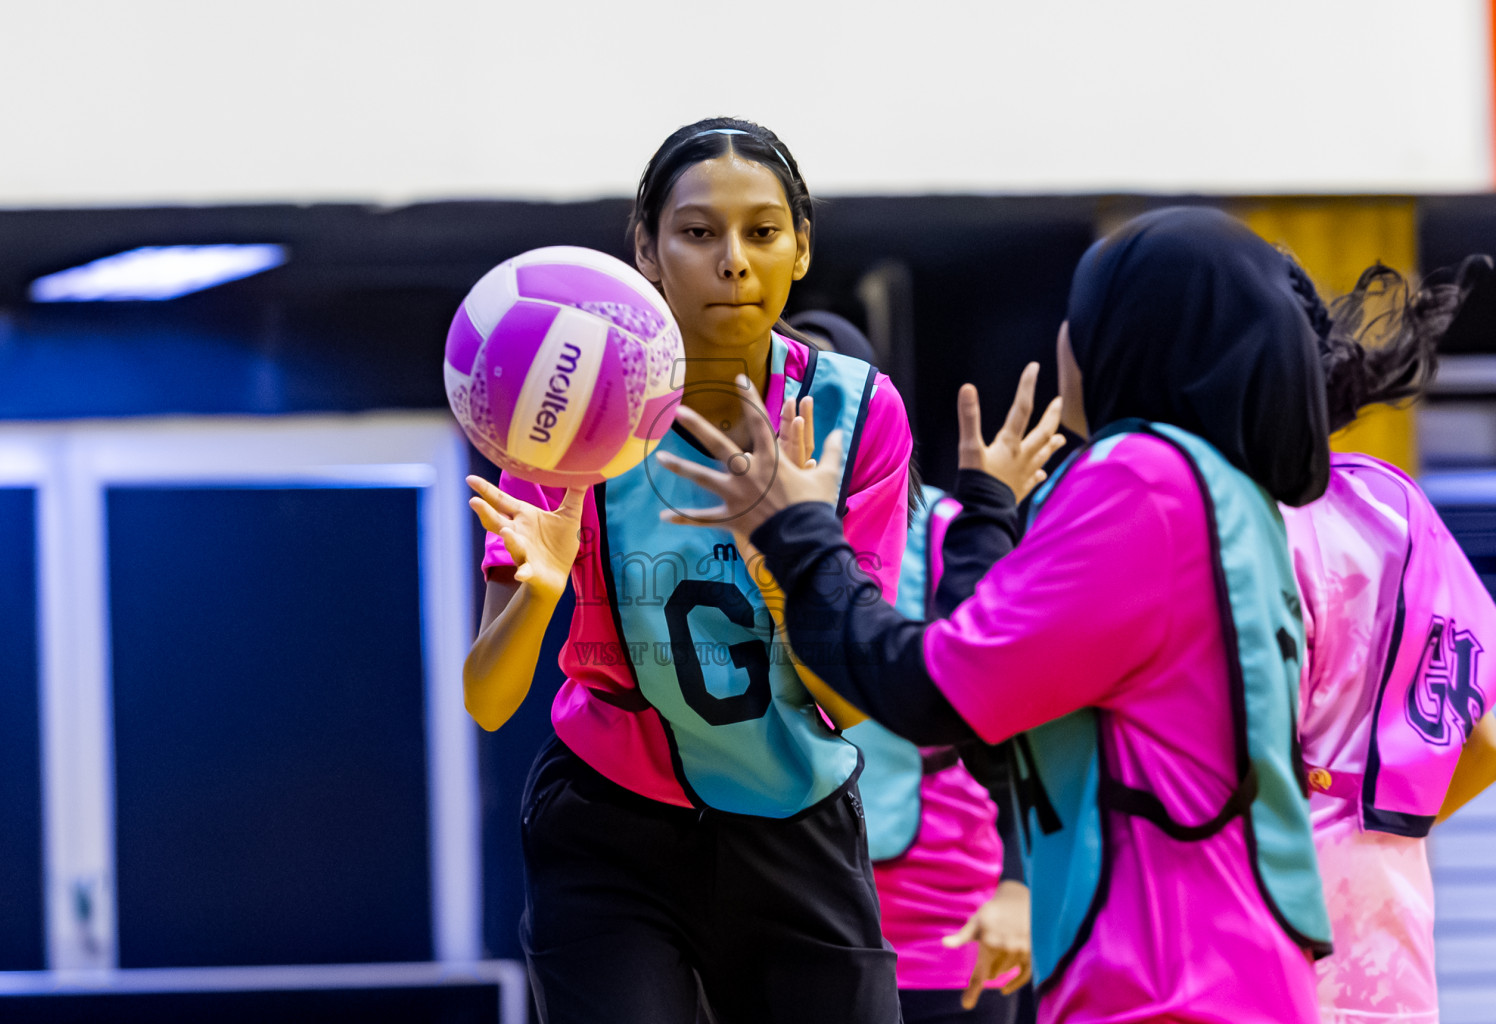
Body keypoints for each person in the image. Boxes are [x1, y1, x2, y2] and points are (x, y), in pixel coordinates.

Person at [657, 207, 1339, 1024]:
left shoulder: (1141, 481)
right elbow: (984, 710)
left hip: (1171, 986)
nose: (1062, 343)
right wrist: (986, 512)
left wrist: (798, 533)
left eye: (1076, 320)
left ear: (1126, 336)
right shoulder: (1218, 491)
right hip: (1215, 975)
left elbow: (926, 693)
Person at [462, 117, 921, 1024]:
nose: (734, 261)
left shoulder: (859, 411)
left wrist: (787, 557)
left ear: (800, 250)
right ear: (647, 248)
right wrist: (539, 597)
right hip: (611, 824)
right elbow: (486, 698)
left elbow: (858, 696)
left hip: (797, 813)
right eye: (699, 232)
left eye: (763, 231)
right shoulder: (562, 410)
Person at [789, 310, 1044, 1024]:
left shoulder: (953, 532)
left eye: (832, 396)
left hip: (948, 915)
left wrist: (1018, 887)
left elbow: (1016, 718)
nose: (804, 417)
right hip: (784, 908)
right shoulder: (711, 539)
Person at [1281, 255, 1496, 1024]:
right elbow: (1485, 742)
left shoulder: (1221, 520)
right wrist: (1375, 818)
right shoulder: (1392, 504)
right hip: (1383, 927)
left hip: (1245, 927)